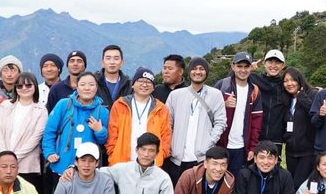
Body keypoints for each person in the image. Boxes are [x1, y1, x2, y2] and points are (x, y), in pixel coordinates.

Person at [165, 56, 227, 184]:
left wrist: (209, 142)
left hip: (201, 157)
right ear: (189, 72)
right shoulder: (175, 95)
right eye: (194, 68)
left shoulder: (215, 94)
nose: (198, 72)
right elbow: (167, 124)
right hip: (177, 158)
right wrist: (171, 145)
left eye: (202, 69)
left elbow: (221, 122)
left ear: (206, 72)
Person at [42, 72, 110, 181]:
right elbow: (49, 131)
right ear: (76, 87)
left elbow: (103, 142)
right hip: (62, 163)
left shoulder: (103, 112)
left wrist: (99, 130)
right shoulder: (64, 105)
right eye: (83, 84)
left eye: (91, 85)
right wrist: (49, 152)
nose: (87, 88)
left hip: (88, 169)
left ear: (96, 88)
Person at [0, 71, 48, 192]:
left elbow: (35, 138)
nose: (24, 88)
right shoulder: (5, 106)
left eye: (28, 85)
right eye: (19, 86)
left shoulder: (41, 110)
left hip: (26, 165)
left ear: (35, 87)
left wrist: (13, 159)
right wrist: (3, 158)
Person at [106, 67, 172, 166]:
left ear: (154, 87)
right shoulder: (120, 105)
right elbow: (112, 133)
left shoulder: (161, 109)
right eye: (140, 81)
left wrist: (161, 155)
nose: (144, 84)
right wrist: (113, 152)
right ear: (133, 84)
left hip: (151, 163)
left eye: (149, 82)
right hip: (122, 162)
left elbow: (166, 136)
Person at [216, 52, 263, 175]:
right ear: (233, 67)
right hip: (220, 144)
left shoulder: (255, 91)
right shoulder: (222, 86)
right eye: (239, 66)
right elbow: (208, 112)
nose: (243, 70)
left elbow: (256, 122)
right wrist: (223, 104)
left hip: (241, 147)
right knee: (217, 179)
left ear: (251, 68)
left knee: (236, 181)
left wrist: (252, 147)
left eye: (246, 67)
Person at [281, 67, 319, 187]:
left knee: (300, 185)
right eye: (286, 81)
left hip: (307, 151)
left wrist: (302, 98)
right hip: (290, 151)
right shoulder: (286, 98)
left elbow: (316, 116)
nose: (289, 84)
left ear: (300, 80)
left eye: (292, 80)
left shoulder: (312, 94)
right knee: (292, 183)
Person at [256, 49, 288, 159]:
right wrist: (250, 68)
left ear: (283, 65)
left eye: (277, 62)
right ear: (264, 63)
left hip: (276, 139)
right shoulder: (255, 79)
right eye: (270, 62)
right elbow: (233, 76)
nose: (273, 66)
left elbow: (301, 87)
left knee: (273, 170)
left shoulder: (285, 84)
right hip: (256, 137)